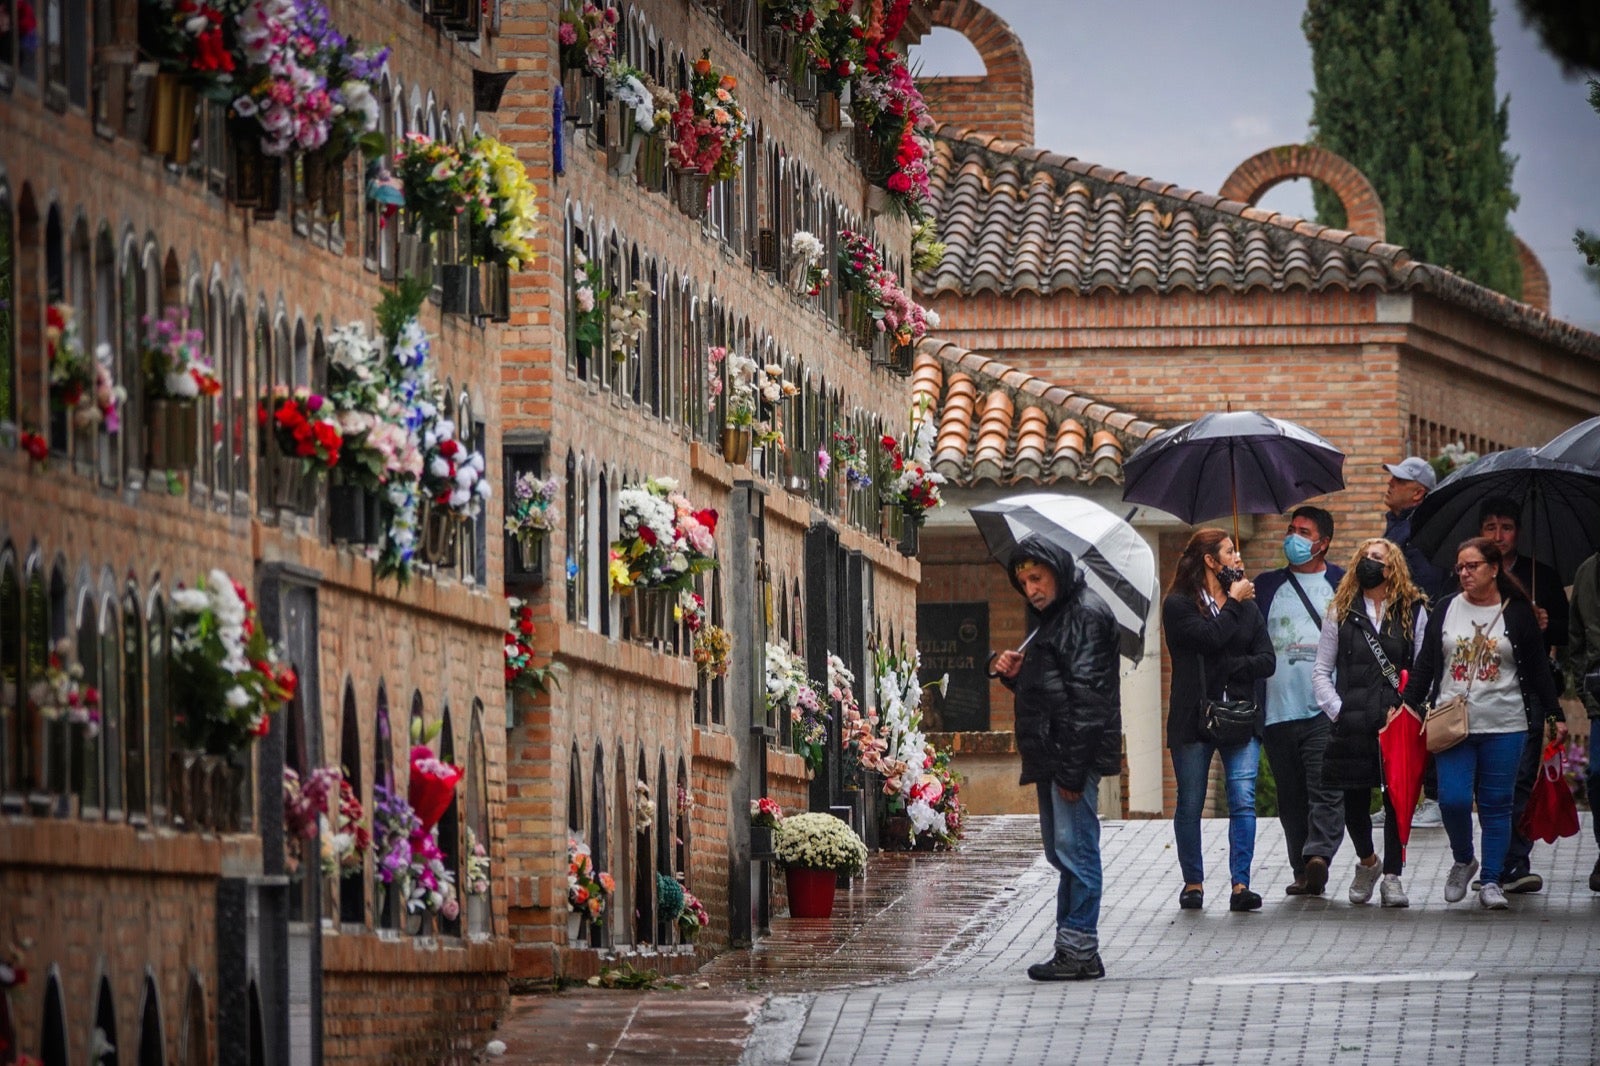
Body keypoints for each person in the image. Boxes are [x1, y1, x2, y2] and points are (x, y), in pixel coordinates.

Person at [1405, 537, 1565, 910]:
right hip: (1452, 724)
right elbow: (1427, 664)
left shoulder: (1517, 613)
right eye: (1460, 567)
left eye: (1472, 566)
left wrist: (1554, 714)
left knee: (1497, 804)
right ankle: (1464, 858)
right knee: (1454, 799)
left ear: (1494, 569)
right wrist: (1407, 705)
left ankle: (1491, 879)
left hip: (1506, 724)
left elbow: (1539, 669)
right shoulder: (1446, 609)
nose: (1464, 573)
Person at [991, 536, 1122, 981]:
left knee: (1076, 850)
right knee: (1062, 852)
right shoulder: (1055, 617)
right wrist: (1015, 674)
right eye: (1023, 581)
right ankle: (1073, 945)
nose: (1030, 589)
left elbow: (1087, 701)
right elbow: (1052, 691)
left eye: (1037, 577)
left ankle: (1080, 948)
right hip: (1055, 753)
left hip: (1069, 755)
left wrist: (1071, 768)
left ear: (1057, 572)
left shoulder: (1082, 614)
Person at [1163, 528, 1276, 913]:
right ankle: (1193, 882)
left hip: (1240, 716)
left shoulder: (1249, 605)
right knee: (1190, 802)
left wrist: (1233, 664)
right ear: (1211, 561)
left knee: (1242, 799)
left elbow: (1267, 659)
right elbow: (1209, 638)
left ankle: (1240, 883)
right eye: (1230, 552)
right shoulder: (1179, 604)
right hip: (1194, 718)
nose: (1238, 558)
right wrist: (1232, 602)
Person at [1313, 538, 1429, 907]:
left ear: (1391, 566)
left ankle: (1393, 876)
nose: (1368, 563)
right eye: (1363, 557)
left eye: (1376, 558)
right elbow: (1320, 671)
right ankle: (1368, 862)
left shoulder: (1413, 609)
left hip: (1398, 721)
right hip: (1353, 723)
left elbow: (1426, 667)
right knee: (1353, 799)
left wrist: (1410, 709)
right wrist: (1339, 709)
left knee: (1397, 799)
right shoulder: (1341, 611)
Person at [1472, 496, 1569, 894]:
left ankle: (1514, 862)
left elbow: (1563, 634)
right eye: (1491, 527)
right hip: (1481, 693)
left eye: (1506, 527)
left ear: (1518, 532)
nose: (1499, 535)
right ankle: (1491, 861)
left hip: (1527, 690)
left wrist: (1543, 623)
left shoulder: (1539, 576)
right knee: (1488, 784)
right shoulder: (1467, 575)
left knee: (1521, 778)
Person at [1253, 506, 1345, 896]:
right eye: (1290, 530)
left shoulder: (1342, 584)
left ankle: (1319, 854)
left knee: (1325, 785)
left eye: (1303, 532)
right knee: (1291, 796)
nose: (1293, 537)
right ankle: (1302, 870)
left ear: (1322, 543)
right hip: (1277, 710)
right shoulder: (1267, 585)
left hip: (1324, 708)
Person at [1380, 455, 1446, 828]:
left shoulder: (1421, 533)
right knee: (1398, 713)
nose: (1390, 484)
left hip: (1422, 635)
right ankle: (1396, 795)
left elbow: (1425, 589)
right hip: (1398, 634)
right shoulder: (1397, 528)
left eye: (1399, 480)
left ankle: (1434, 797)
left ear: (1418, 492)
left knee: (1425, 710)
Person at [1567, 549, 1600, 892]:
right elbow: (1575, 634)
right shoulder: (1587, 570)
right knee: (1598, 773)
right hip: (1599, 694)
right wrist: (1584, 682)